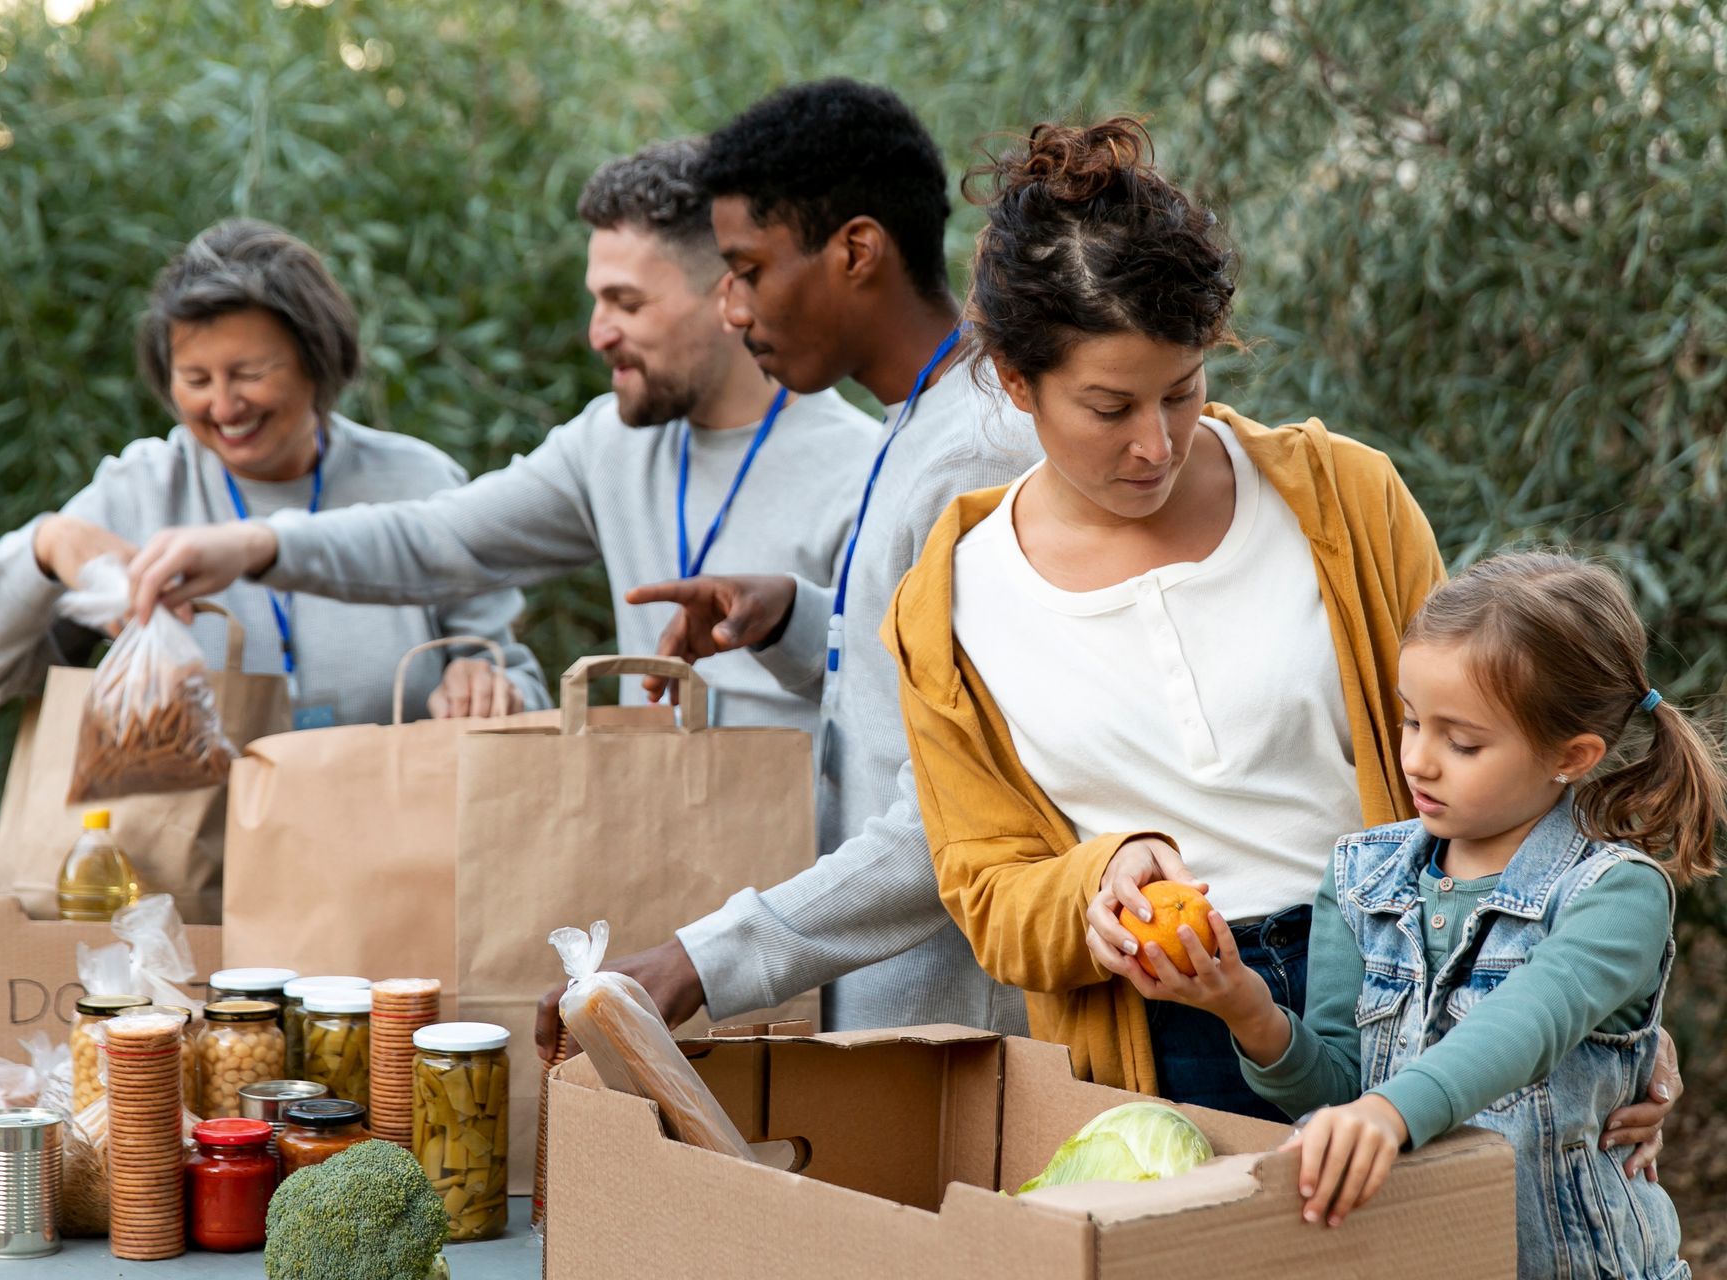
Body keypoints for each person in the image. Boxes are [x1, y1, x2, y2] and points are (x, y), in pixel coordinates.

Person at [881, 119, 1682, 1160]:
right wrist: (1103, 875)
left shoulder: (1344, 500)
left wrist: (1608, 1002)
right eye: (1109, 405)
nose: (1155, 442)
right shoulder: (949, 601)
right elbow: (986, 892)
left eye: (1183, 389)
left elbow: (1504, 748)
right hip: (1158, 1037)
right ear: (1020, 383)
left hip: (1420, 995)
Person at [535, 79, 1043, 1050]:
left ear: (856, 251)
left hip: (962, 1029)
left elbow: (955, 814)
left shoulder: (972, 458)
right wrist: (796, 621)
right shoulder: (920, 424)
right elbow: (912, 700)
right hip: (896, 1006)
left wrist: (696, 958)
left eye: (748, 268)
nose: (732, 308)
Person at [124, 140, 876, 732]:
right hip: (661, 875)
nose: (596, 333)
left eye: (626, 303)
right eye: (595, 300)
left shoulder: (859, 473)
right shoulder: (608, 445)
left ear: (727, 294)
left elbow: (887, 719)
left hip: (794, 900)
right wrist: (259, 547)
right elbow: (440, 540)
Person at [1147, 552, 1714, 1273]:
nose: (1418, 759)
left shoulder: (1616, 893)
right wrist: (1246, 1008)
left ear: (1571, 756)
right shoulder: (1360, 878)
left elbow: (1528, 1023)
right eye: (1412, 722)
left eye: (1463, 741)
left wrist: (1390, 1114)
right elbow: (1337, 1090)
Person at [0, 219, 547, 727]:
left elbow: (520, 679)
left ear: (317, 361)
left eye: (249, 374)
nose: (223, 406)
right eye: (196, 380)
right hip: (199, 869)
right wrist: (44, 545)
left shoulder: (417, 480)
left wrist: (490, 684)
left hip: (391, 852)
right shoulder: (141, 491)